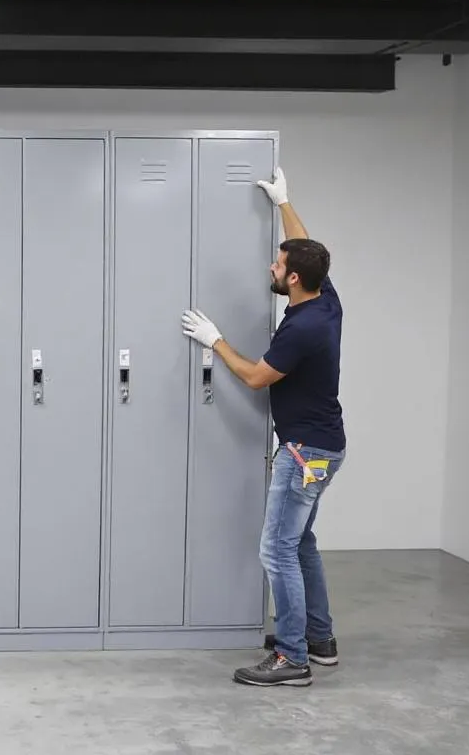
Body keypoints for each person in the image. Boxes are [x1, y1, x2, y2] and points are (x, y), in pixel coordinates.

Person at [180, 167, 345, 687]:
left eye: (278, 264)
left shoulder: (303, 329)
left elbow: (255, 377)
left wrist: (215, 341)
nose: (272, 266)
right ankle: (319, 640)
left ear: (293, 278)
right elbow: (302, 244)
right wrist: (284, 201)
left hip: (303, 452)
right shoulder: (324, 297)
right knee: (301, 544)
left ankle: (292, 658)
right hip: (323, 446)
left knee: (276, 548)